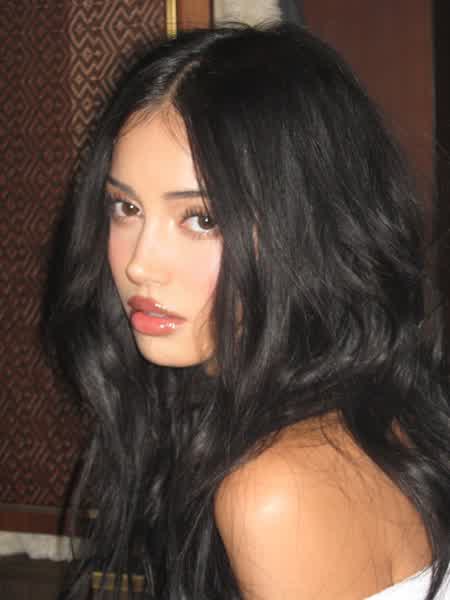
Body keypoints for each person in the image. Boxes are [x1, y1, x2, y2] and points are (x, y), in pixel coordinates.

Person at [45, 23, 450, 600]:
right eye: (125, 207)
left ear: (306, 228)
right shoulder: (378, 405)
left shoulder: (275, 489)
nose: (139, 265)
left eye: (201, 218)